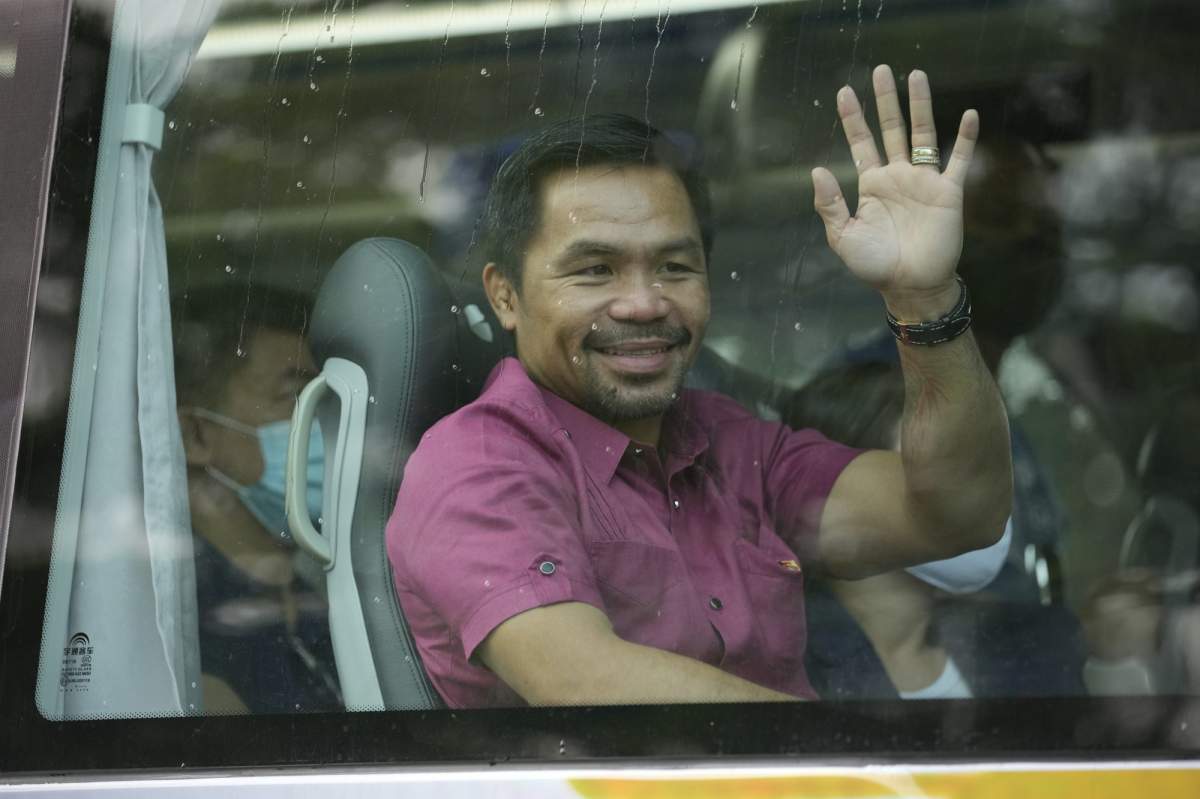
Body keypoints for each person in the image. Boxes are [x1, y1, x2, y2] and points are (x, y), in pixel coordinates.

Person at [388, 65, 1013, 707]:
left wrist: (925, 298)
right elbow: (583, 684)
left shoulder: (729, 442)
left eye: (674, 267)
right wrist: (857, 757)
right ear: (505, 296)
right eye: (595, 270)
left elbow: (956, 515)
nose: (643, 303)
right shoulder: (479, 464)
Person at [789, 361, 1089, 700]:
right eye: (943, 472)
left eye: (975, 472)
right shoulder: (778, 666)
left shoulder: (1038, 643)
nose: (977, 501)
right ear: (852, 492)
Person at [173, 286, 341, 714]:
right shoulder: (175, 627)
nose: (319, 425)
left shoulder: (319, 599)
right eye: (293, 398)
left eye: (322, 401)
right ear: (196, 435)